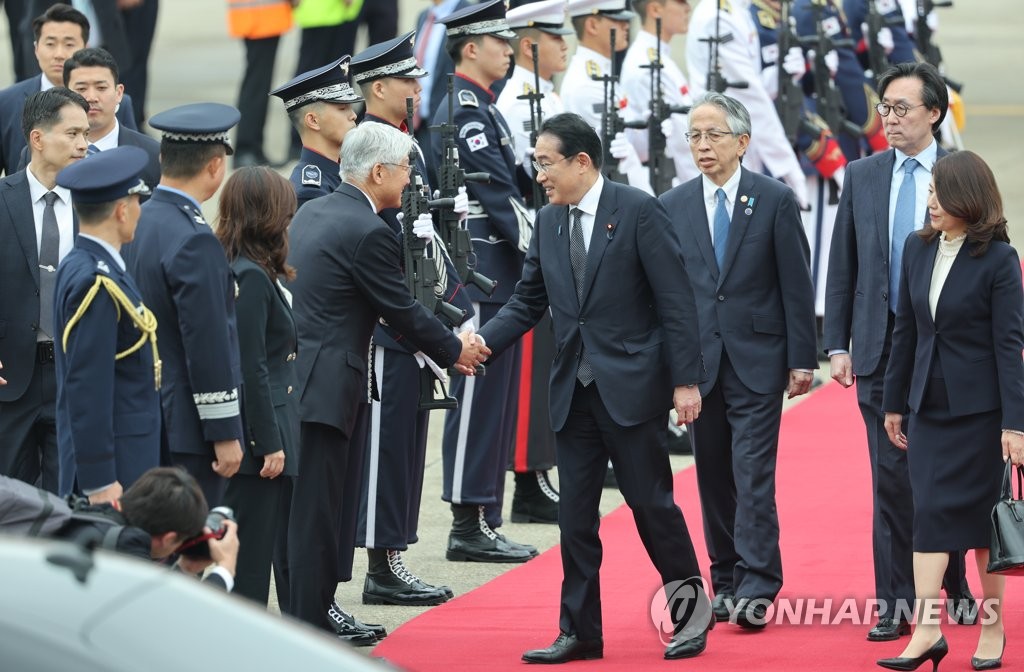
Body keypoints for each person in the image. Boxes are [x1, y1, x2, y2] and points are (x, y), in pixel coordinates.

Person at [477, 111, 711, 663]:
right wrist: (480, 346)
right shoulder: (549, 221)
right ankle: (580, 630)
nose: (540, 175)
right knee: (575, 518)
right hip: (574, 394)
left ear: (581, 162)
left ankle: (691, 617)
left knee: (652, 507)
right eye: (535, 164)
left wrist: (685, 383)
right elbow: (527, 302)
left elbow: (676, 303)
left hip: (631, 389)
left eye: (546, 163)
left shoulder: (637, 211)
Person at [283, 121, 488, 641]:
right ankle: (312, 622)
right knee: (321, 512)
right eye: (404, 169)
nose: (409, 179)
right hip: (331, 384)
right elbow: (399, 309)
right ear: (378, 172)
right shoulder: (367, 230)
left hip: (302, 380)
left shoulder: (315, 211)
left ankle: (317, 611)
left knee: (318, 508)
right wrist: (454, 350)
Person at [824, 61, 974, 641]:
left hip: (947, 351)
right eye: (884, 107)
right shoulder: (862, 175)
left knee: (946, 473)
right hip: (882, 349)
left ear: (934, 112)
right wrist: (838, 342)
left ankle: (954, 589)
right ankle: (894, 601)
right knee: (890, 479)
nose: (888, 118)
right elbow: (844, 264)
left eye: (901, 108)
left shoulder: (960, 173)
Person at [661, 91, 817, 628]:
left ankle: (758, 583)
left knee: (753, 474)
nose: (703, 146)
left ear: (742, 142)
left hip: (758, 357)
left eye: (714, 135)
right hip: (699, 366)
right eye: (695, 136)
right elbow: (666, 294)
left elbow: (796, 284)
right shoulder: (672, 205)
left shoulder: (772, 199)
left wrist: (803, 357)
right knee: (712, 476)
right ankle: (724, 577)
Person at [877, 150, 1024, 671]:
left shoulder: (999, 260)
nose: (931, 200)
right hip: (927, 410)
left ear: (968, 197)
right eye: (931, 192)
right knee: (929, 519)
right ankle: (927, 630)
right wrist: (894, 403)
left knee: (982, 528)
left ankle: (992, 627)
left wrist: (1015, 425)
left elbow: (1010, 346)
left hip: (981, 415)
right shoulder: (918, 251)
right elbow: (907, 331)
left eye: (940, 191)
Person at [349, 30, 473, 606]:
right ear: (378, 87)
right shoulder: (363, 148)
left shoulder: (410, 144)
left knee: (406, 444)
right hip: (386, 322)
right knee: (385, 445)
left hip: (416, 314)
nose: (414, 91)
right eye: (406, 82)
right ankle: (379, 563)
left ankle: (394, 554)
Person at [430, 0, 539, 564]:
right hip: (480, 272)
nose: (510, 49)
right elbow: (497, 198)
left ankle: (484, 517)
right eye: (500, 41)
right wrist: (546, 243)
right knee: (477, 394)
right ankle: (468, 520)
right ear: (471, 48)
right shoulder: (466, 110)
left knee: (493, 400)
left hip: (499, 271)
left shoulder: (486, 109)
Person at [124, 102, 245, 507]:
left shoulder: (138, 221)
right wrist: (225, 432)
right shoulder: (195, 239)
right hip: (189, 428)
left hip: (143, 414)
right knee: (190, 544)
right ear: (215, 166)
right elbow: (208, 343)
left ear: (162, 159)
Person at [493, 0, 571, 525]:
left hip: (560, 228)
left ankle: (538, 469)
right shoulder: (522, 99)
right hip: (539, 235)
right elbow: (529, 183)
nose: (564, 45)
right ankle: (528, 475)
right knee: (533, 364)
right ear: (529, 43)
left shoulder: (543, 92)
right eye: (554, 37)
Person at [53, 145, 159, 503]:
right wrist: (99, 480)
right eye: (137, 203)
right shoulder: (97, 283)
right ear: (121, 210)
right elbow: (87, 386)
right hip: (116, 468)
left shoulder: (87, 264)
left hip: (125, 455)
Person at [214, 166, 299, 607]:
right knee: (248, 568)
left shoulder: (253, 268)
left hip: (267, 435)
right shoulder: (248, 275)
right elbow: (252, 367)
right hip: (258, 449)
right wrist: (268, 442)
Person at [0, 87, 89, 493]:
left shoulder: (95, 205)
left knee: (68, 503)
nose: (83, 144)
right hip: (11, 380)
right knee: (10, 503)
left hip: (74, 376)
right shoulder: (3, 200)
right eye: (72, 134)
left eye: (85, 134)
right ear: (37, 138)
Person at [686, 0, 808, 208]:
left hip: (737, 138)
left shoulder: (737, 10)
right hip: (722, 139)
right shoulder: (719, 16)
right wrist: (788, 166)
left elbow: (752, 85)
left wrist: (782, 75)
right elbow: (750, 97)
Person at [0, 3, 137, 177]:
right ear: (36, 49)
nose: (59, 54)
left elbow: (133, 160)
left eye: (69, 44)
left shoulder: (116, 102)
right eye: (50, 44)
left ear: (85, 47)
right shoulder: (7, 103)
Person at [560, 0, 651, 192]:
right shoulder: (586, 83)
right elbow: (604, 161)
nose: (625, 25)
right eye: (616, 21)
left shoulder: (601, 74)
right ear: (592, 25)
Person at [620, 0, 699, 189]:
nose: (688, 8)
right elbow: (680, 141)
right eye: (680, 2)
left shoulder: (659, 56)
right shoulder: (645, 63)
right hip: (672, 181)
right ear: (655, 9)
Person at [270, 55, 362, 208]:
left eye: (351, 107)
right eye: (342, 108)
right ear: (313, 121)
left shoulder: (343, 172)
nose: (353, 115)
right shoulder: (311, 193)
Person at [228, 0, 293, 168]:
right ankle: (246, 148)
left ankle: (253, 147)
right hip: (258, 16)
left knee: (259, 85)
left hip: (263, 15)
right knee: (256, 85)